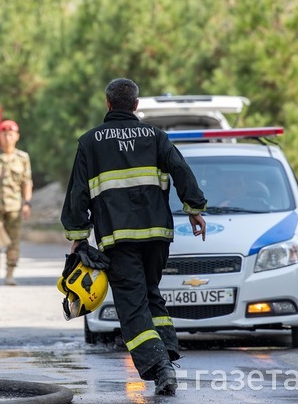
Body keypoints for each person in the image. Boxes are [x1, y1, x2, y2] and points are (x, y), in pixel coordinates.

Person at [61, 78, 207, 396]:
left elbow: (78, 193)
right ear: (136, 105)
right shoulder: (155, 137)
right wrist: (194, 208)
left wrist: (77, 235)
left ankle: (160, 367)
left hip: (119, 239)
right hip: (158, 237)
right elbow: (181, 169)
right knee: (150, 294)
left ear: (108, 103)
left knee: (132, 305)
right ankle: (166, 351)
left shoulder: (90, 142)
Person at [0, 120, 33, 285]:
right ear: (0, 136)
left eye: (11, 134)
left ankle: (10, 273)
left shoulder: (22, 158)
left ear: (16, 137)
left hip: (14, 207)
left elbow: (26, 182)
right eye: (4, 134)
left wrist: (27, 203)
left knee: (13, 241)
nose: (7, 137)